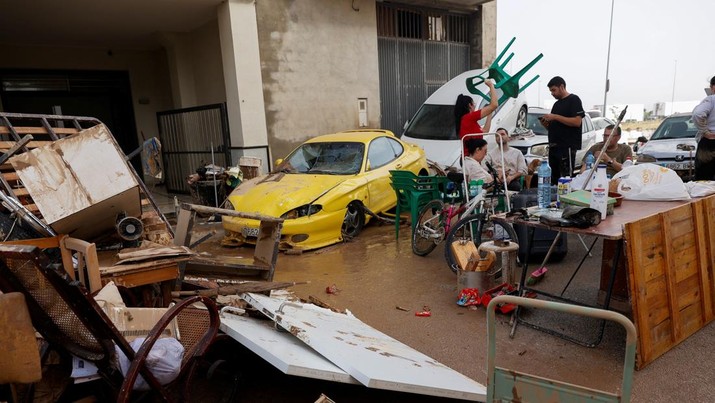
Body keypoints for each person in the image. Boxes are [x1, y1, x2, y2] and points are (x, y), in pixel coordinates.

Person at [539, 76, 585, 184]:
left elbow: (577, 122)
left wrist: (555, 117)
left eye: (554, 90)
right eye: (551, 91)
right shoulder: (556, 104)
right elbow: (553, 127)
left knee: (565, 177)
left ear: (562, 87)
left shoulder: (574, 100)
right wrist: (545, 123)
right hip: (554, 146)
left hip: (566, 146)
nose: (552, 93)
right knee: (554, 178)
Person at [455, 79, 498, 155]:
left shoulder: (467, 120)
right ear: (469, 105)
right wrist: (491, 86)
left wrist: (489, 113)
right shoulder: (469, 117)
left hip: (472, 157)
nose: (475, 105)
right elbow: (494, 105)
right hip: (470, 158)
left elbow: (485, 131)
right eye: (473, 103)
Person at [692, 75, 715, 181]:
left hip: (710, 144)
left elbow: (698, 114)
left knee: (704, 182)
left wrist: (704, 131)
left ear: (712, 87)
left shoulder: (711, 100)